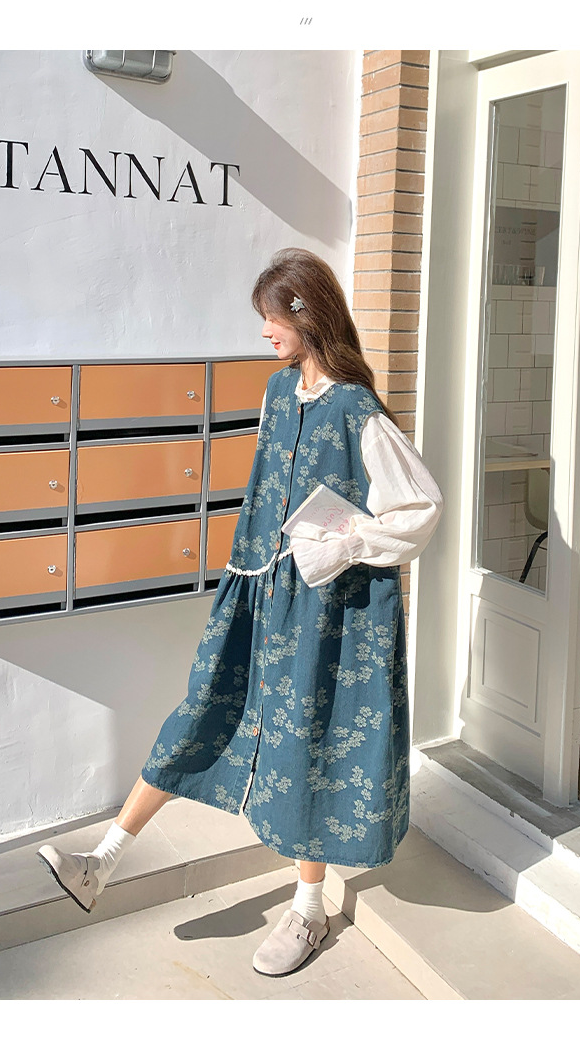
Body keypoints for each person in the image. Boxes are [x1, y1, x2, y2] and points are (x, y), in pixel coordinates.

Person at [37, 247, 443, 977]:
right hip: (256, 592)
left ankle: (309, 910)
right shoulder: (277, 391)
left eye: (271, 318)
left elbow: (419, 508)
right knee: (201, 710)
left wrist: (345, 540)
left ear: (306, 315)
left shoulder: (356, 409)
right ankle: (102, 860)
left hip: (324, 613)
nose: (264, 332)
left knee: (306, 742)